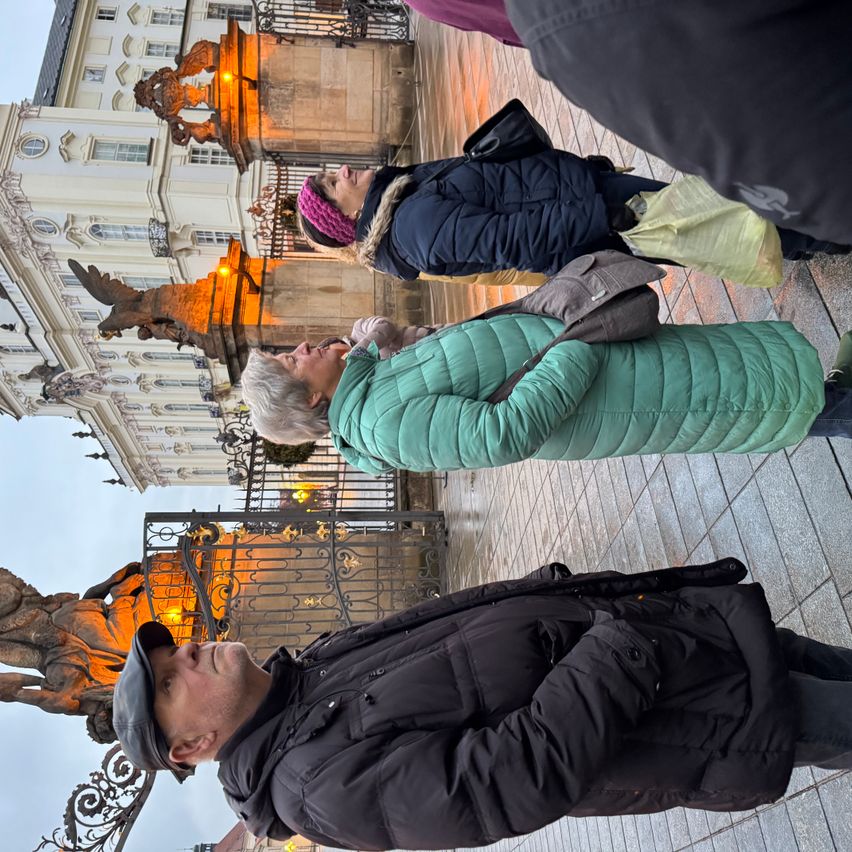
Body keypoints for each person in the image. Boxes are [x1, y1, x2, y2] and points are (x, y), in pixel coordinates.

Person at [112, 557, 852, 849]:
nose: (189, 651)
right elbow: (519, 776)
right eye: (173, 682)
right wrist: (618, 648)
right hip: (690, 712)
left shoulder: (308, 675)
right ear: (190, 748)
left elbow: (453, 639)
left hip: (678, 639)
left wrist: (544, 592)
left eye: (173, 649)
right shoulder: (317, 790)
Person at [237, 283, 852, 473]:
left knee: (738, 372)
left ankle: (835, 392)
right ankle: (837, 401)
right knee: (746, 395)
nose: (302, 346)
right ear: (312, 396)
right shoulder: (382, 424)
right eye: (291, 361)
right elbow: (501, 434)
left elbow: (463, 361)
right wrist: (572, 346)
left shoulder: (375, 381)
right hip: (605, 390)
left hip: (609, 365)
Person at [503, 0, 852, 245]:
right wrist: (597, 216)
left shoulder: (535, 28)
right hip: (815, 161)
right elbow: (505, 240)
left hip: (806, 192)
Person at [295, 155, 672, 279]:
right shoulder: (411, 228)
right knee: (714, 217)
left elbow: (499, 188)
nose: (343, 170)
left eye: (331, 172)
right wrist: (598, 215)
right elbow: (512, 239)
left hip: (582, 195)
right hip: (594, 219)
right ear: (348, 216)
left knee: (709, 206)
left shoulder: (399, 193)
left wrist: (577, 171)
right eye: (333, 183)